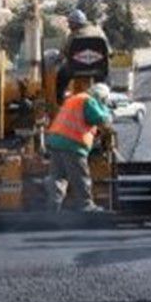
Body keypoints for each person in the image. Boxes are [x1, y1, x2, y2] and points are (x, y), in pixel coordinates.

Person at [47, 81, 113, 212]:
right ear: (101, 98)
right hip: (72, 144)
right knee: (80, 176)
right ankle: (85, 205)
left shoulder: (74, 99)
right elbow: (100, 119)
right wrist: (107, 112)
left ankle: (53, 207)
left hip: (56, 142)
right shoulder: (89, 101)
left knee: (58, 177)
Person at [56, 10, 109, 101]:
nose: (69, 26)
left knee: (61, 75)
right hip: (97, 70)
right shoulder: (99, 32)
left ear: (75, 24)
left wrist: (59, 59)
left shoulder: (73, 35)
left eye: (70, 23)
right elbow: (108, 51)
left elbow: (65, 52)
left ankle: (60, 99)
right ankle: (105, 97)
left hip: (75, 70)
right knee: (105, 79)